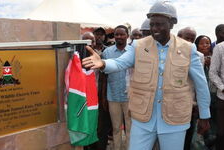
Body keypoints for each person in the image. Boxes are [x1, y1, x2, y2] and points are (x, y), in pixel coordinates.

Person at [82, 1, 211, 150]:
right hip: (143, 118)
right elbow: (120, 63)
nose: (155, 29)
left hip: (175, 119)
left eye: (160, 24)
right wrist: (104, 63)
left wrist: (204, 115)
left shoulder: (188, 49)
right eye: (152, 24)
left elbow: (201, 84)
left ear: (172, 23)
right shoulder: (138, 46)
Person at [102, 25, 131, 150]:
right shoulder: (107, 52)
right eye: (116, 34)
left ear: (127, 36)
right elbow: (103, 77)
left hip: (130, 97)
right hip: (113, 96)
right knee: (116, 128)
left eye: (122, 34)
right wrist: (103, 96)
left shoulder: (132, 52)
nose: (119, 37)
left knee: (130, 129)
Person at [209, 41, 224, 150]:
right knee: (222, 134)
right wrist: (223, 88)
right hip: (223, 99)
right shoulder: (220, 47)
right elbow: (212, 73)